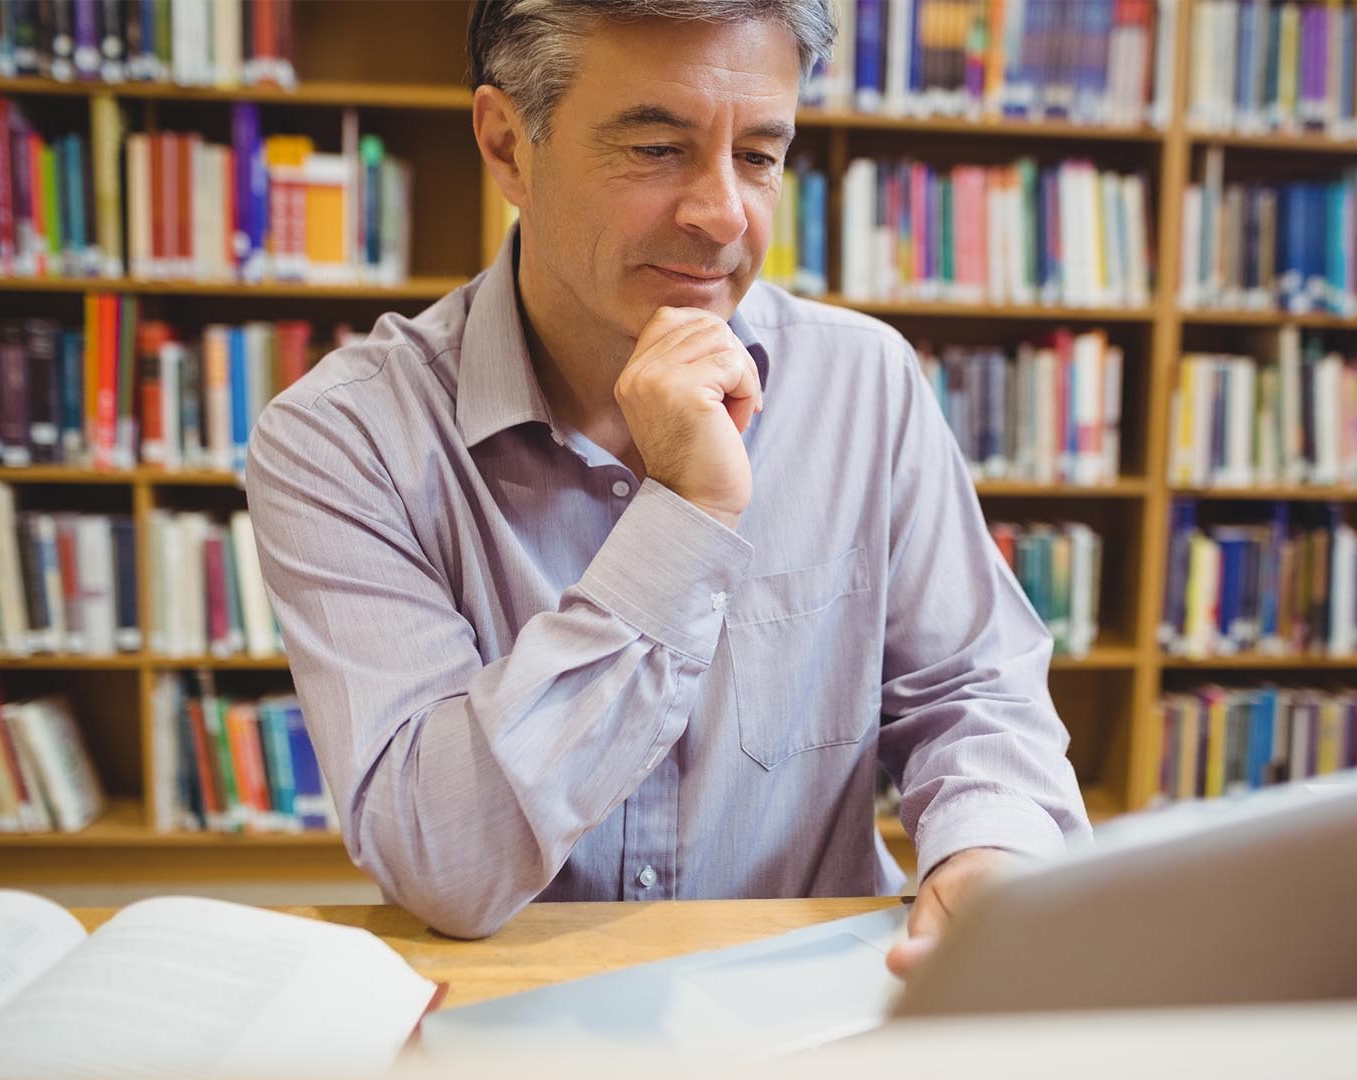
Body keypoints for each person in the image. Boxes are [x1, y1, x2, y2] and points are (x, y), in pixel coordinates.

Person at [245, 0, 1089, 976]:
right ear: (507, 144)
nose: (724, 214)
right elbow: (447, 862)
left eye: (761, 155)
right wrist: (685, 517)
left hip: (801, 1002)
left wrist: (991, 847)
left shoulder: (867, 383)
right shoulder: (343, 439)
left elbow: (973, 691)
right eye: (655, 147)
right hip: (511, 1015)